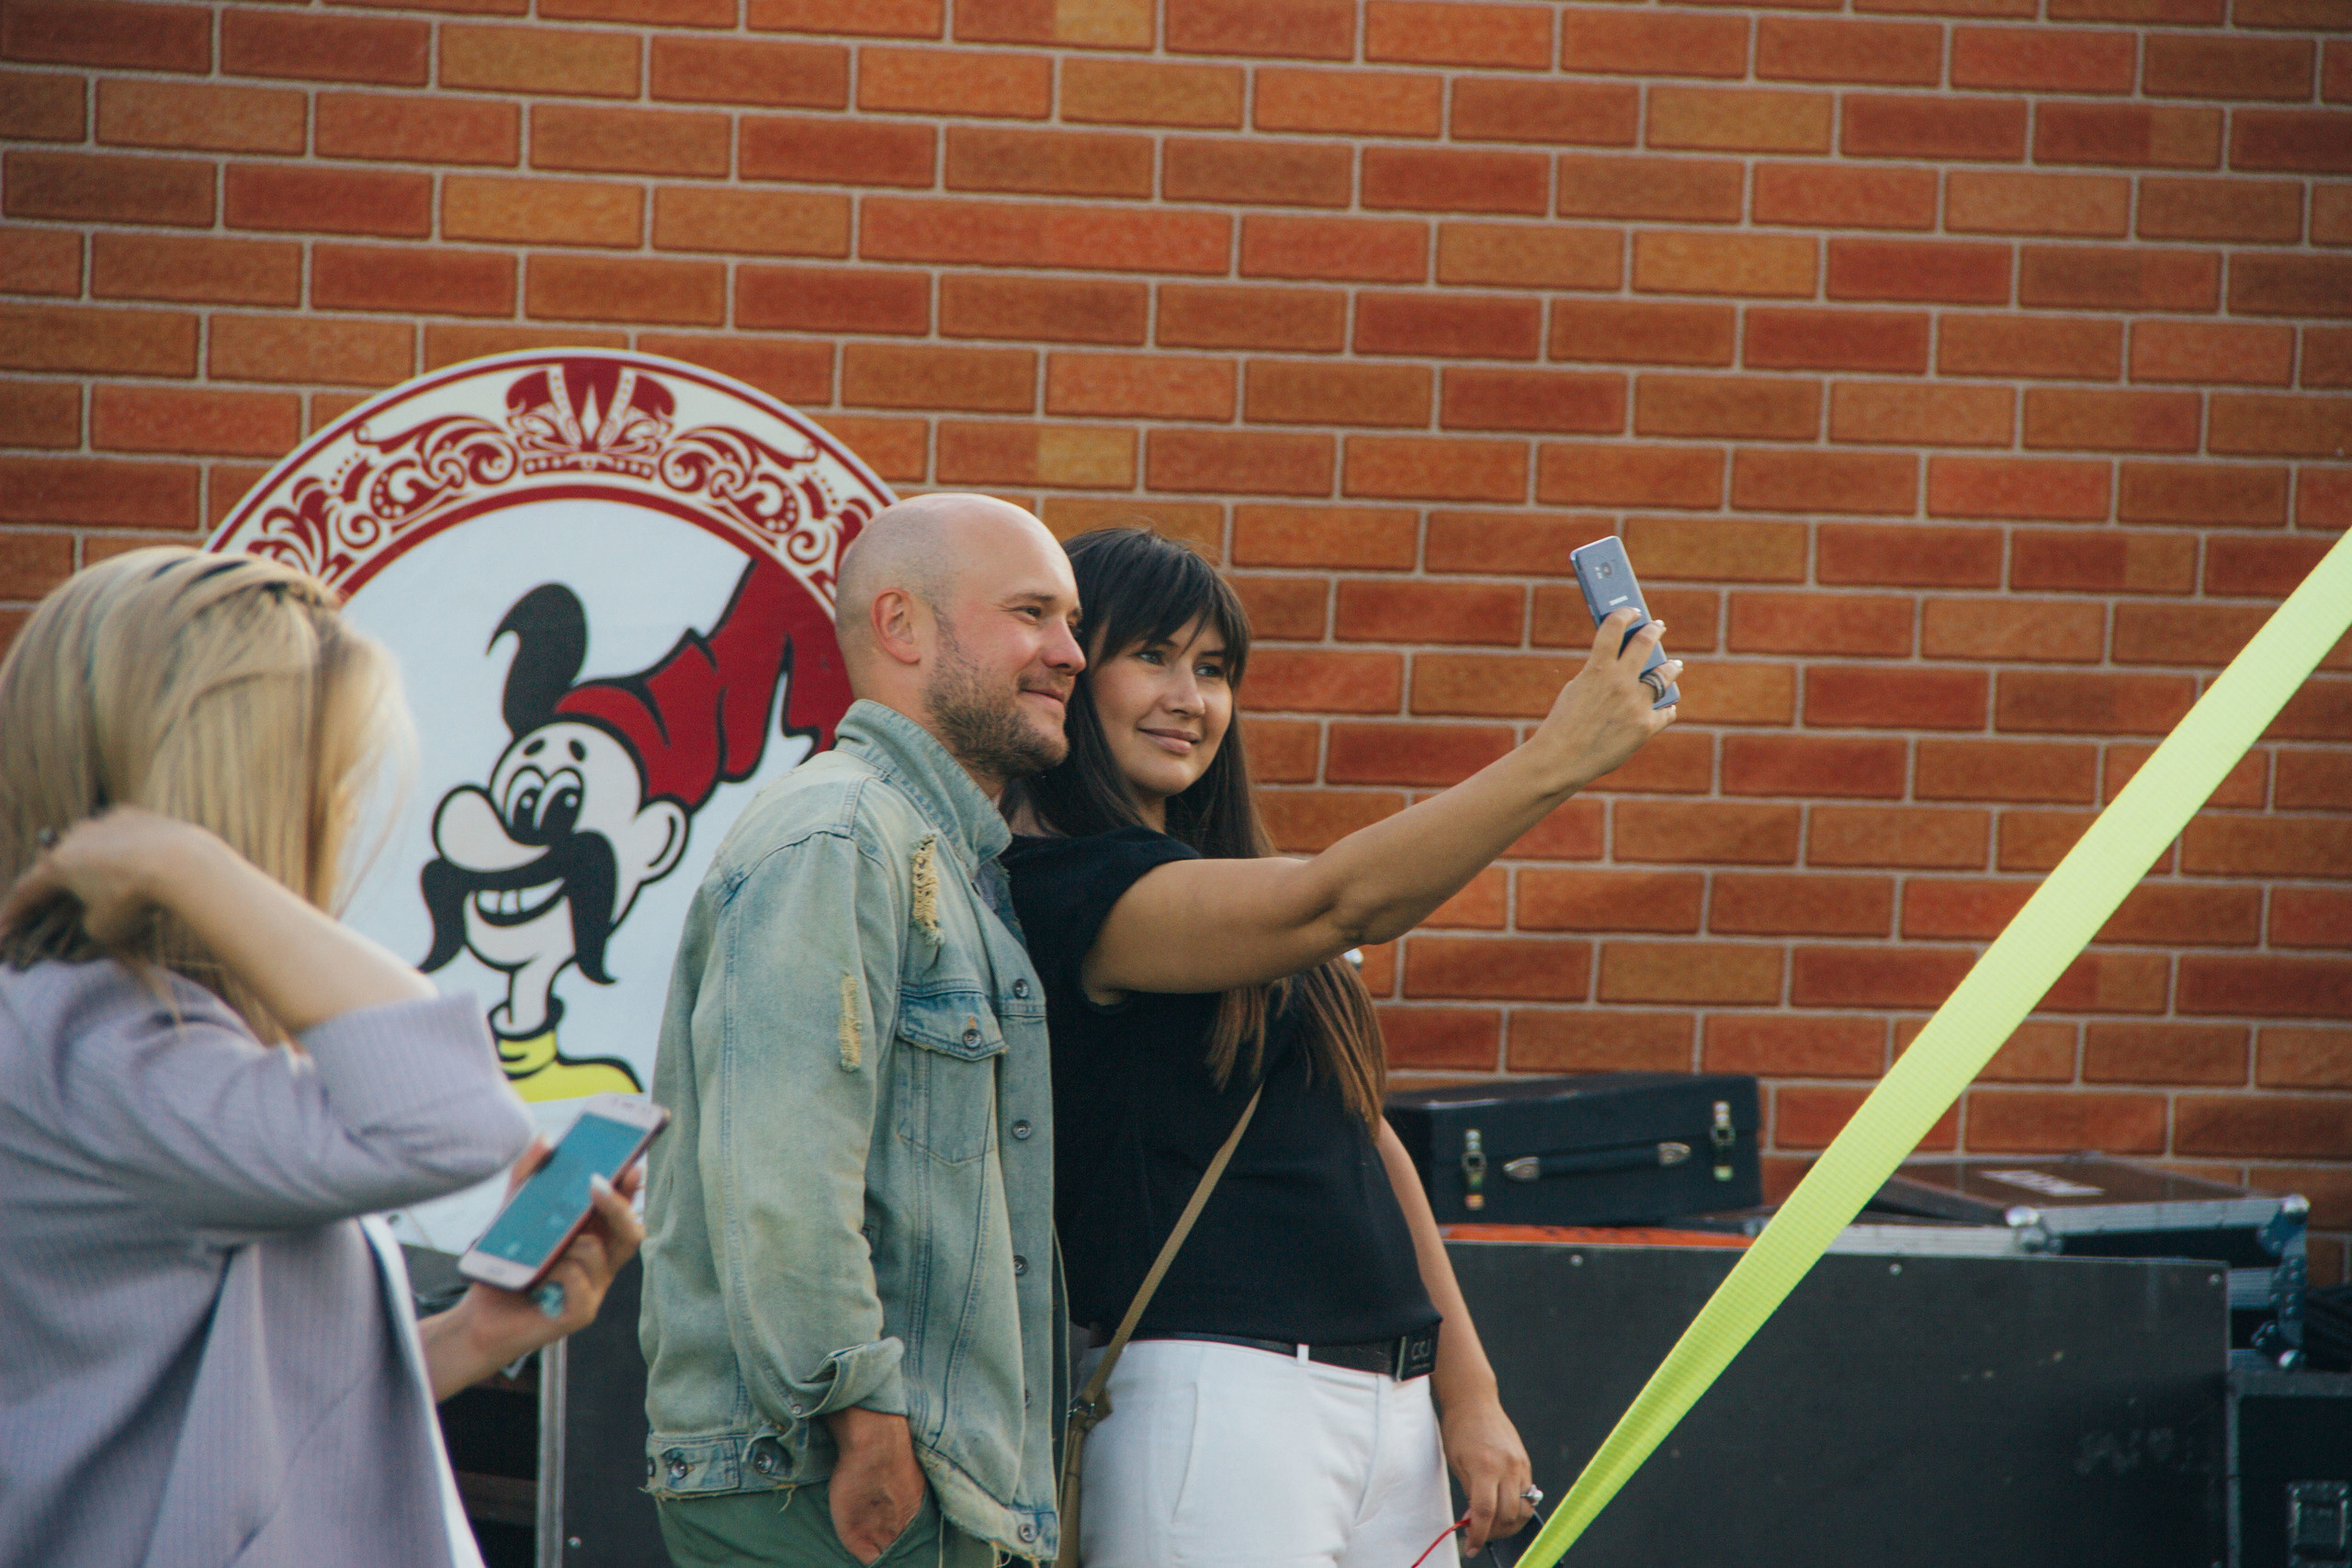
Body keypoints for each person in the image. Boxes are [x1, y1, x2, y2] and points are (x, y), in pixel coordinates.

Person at [1000, 526, 1680, 1568]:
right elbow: (1341, 899)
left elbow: (1366, 1144)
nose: (1190, 697)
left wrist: (1470, 1394)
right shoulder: (1061, 887)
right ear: (1073, 671)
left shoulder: (1229, 882)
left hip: (1391, 1402)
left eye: (1215, 669)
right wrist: (1558, 756)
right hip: (1211, 1397)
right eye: (1152, 657)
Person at [0, 548, 646, 1568]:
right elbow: (461, 1121)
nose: (339, 824)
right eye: (325, 781)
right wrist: (183, 858)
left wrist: (474, 1336)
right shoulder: (101, 1048)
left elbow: (210, 1426)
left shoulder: (126, 1035)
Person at [639, 493, 1084, 1567]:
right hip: (834, 1488)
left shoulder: (931, 852)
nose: (1070, 653)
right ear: (902, 626)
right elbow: (784, 1170)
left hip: (914, 1490)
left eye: (1071, 622)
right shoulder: (838, 834)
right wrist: (864, 1420)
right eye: (1032, 614)